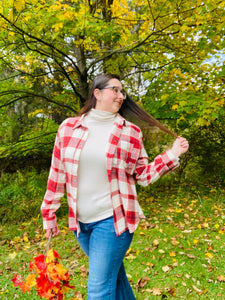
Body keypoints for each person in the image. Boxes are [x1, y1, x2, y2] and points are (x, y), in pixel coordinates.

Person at [41, 73, 189, 300]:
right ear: (97, 93)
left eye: (123, 92)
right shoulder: (68, 128)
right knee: (114, 279)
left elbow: (143, 175)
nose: (121, 96)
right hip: (80, 225)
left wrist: (172, 154)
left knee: (99, 290)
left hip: (113, 221)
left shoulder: (130, 133)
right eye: (115, 90)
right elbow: (57, 172)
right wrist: (49, 213)